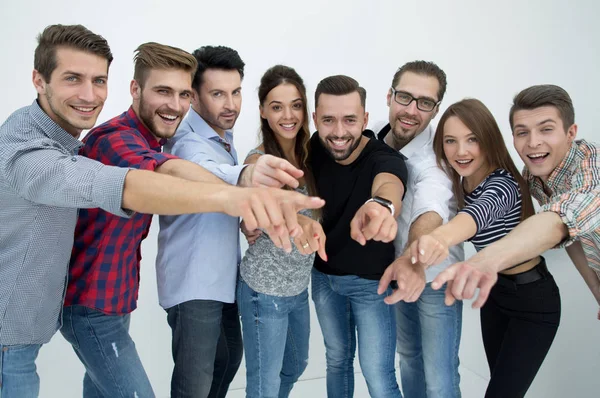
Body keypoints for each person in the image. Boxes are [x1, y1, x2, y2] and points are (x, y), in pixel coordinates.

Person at [0, 25, 323, 398]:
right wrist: (241, 191)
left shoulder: (92, 139)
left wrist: (244, 182)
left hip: (95, 305)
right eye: (73, 79)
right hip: (59, 317)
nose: (89, 95)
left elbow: (163, 163)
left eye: (98, 81)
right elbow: (147, 177)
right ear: (39, 80)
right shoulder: (97, 141)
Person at [156, 46, 309, 398]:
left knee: (225, 366)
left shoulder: (221, 136)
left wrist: (246, 215)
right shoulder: (186, 143)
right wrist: (248, 177)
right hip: (194, 285)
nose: (231, 104)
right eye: (218, 94)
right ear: (193, 96)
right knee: (194, 386)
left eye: (236, 92)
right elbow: (206, 174)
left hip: (224, 279)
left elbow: (219, 196)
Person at [409, 98, 560, 397]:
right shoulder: (461, 182)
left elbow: (475, 216)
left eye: (472, 139)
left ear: (488, 139)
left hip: (532, 300)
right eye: (451, 141)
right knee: (500, 387)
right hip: (494, 293)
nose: (460, 151)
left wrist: (439, 238)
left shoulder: (502, 183)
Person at [433, 85, 600, 322]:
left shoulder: (593, 168)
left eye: (546, 130)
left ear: (570, 133)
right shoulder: (533, 176)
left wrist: (484, 260)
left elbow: (562, 218)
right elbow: (572, 234)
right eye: (522, 132)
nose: (533, 143)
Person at [310, 75, 407, 397]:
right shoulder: (313, 147)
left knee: (377, 374)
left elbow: (389, 184)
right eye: (328, 120)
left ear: (364, 119)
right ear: (315, 120)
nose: (338, 132)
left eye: (350, 120)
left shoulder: (384, 157)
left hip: (370, 285)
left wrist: (380, 205)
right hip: (323, 278)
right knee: (336, 360)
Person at [374, 61, 464, 398]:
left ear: (436, 109)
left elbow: (431, 209)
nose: (412, 110)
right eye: (405, 97)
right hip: (396, 271)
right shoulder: (377, 135)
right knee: (409, 359)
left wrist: (415, 258)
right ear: (389, 96)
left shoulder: (435, 158)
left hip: (436, 278)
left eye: (424, 102)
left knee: (440, 376)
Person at [237, 65, 326, 398]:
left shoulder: (308, 154)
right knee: (264, 384)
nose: (288, 115)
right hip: (264, 290)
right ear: (262, 111)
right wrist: (249, 221)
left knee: (296, 364)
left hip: (296, 288)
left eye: (296, 105)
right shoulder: (260, 161)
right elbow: (249, 211)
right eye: (277, 106)